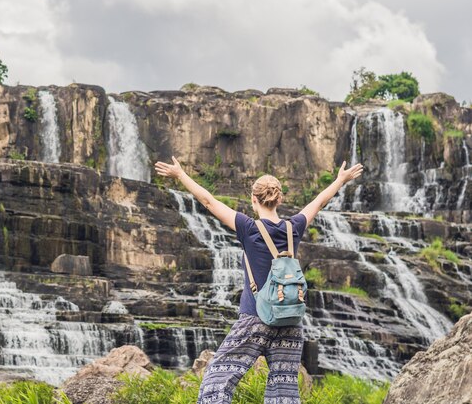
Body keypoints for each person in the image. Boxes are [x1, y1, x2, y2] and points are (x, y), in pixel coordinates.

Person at [154, 156, 363, 404]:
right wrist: (340, 179)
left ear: (254, 200)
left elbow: (208, 201)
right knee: (283, 391)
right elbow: (319, 202)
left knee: (216, 380)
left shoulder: (248, 227)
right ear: (280, 199)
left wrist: (180, 175)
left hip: (255, 318)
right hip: (290, 320)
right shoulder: (293, 227)